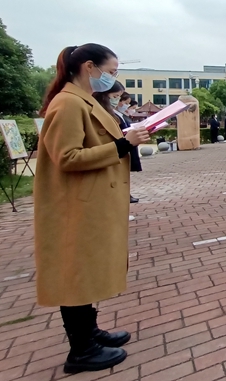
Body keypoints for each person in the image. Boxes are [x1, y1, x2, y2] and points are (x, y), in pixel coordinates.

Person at [35, 44, 151, 374]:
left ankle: (90, 332)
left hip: (88, 202)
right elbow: (67, 157)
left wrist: (126, 138)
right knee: (74, 273)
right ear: (89, 67)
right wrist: (122, 144)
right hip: (76, 206)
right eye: (110, 72)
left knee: (84, 270)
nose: (112, 80)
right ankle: (81, 349)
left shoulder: (83, 100)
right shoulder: (69, 103)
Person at [102, 88, 142, 204]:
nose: (124, 105)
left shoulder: (118, 114)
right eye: (115, 97)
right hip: (118, 149)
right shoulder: (109, 114)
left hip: (124, 147)